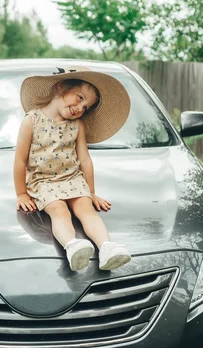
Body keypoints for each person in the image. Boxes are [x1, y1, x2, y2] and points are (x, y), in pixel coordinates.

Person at [13, 66, 132, 271]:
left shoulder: (77, 125)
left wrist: (91, 192)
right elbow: (20, 161)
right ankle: (72, 245)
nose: (80, 108)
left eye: (85, 106)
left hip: (72, 178)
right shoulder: (32, 120)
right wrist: (21, 194)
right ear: (61, 88)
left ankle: (106, 248)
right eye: (79, 98)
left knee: (86, 209)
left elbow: (85, 159)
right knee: (58, 209)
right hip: (43, 181)